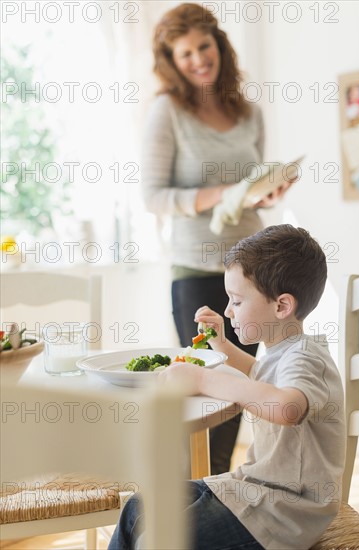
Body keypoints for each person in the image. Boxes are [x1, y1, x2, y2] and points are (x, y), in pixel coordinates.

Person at [108, 224, 346, 550]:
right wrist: (221, 345)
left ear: (281, 306)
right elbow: (259, 373)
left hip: (285, 511)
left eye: (236, 300)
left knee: (159, 538)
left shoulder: (306, 358)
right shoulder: (284, 352)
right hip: (252, 488)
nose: (228, 310)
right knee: (138, 508)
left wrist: (203, 378)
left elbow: (285, 407)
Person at [141, 2, 292, 475]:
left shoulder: (249, 112)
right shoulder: (167, 112)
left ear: (218, 44)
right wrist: (220, 193)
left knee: (241, 394)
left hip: (252, 272)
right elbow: (153, 196)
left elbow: (248, 194)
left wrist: (263, 193)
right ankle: (194, 502)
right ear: (172, 61)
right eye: (184, 54)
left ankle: (223, 493)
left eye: (203, 46)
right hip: (196, 268)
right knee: (205, 390)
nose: (198, 59)